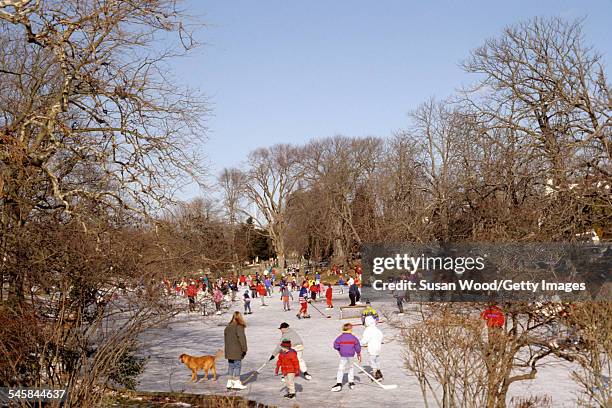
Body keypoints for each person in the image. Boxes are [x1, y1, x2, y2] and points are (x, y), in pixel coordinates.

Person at [331, 323, 361, 391]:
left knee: (341, 368)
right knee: (351, 367)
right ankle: (351, 381)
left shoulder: (340, 337)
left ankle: (339, 383)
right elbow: (357, 346)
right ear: (350, 329)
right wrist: (358, 353)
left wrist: (339, 349)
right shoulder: (353, 337)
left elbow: (335, 345)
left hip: (343, 355)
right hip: (351, 355)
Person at [224, 312, 248, 390]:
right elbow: (242, 339)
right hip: (236, 350)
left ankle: (229, 382)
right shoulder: (239, 326)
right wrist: (244, 349)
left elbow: (226, 339)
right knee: (237, 365)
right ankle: (237, 382)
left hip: (229, 350)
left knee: (231, 366)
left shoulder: (228, 327)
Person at [360, 315, 384, 380]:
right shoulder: (376, 329)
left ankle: (376, 373)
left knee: (372, 360)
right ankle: (379, 371)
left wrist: (360, 343)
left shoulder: (368, 330)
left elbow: (365, 339)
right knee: (377, 360)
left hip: (372, 347)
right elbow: (381, 336)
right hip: (378, 347)